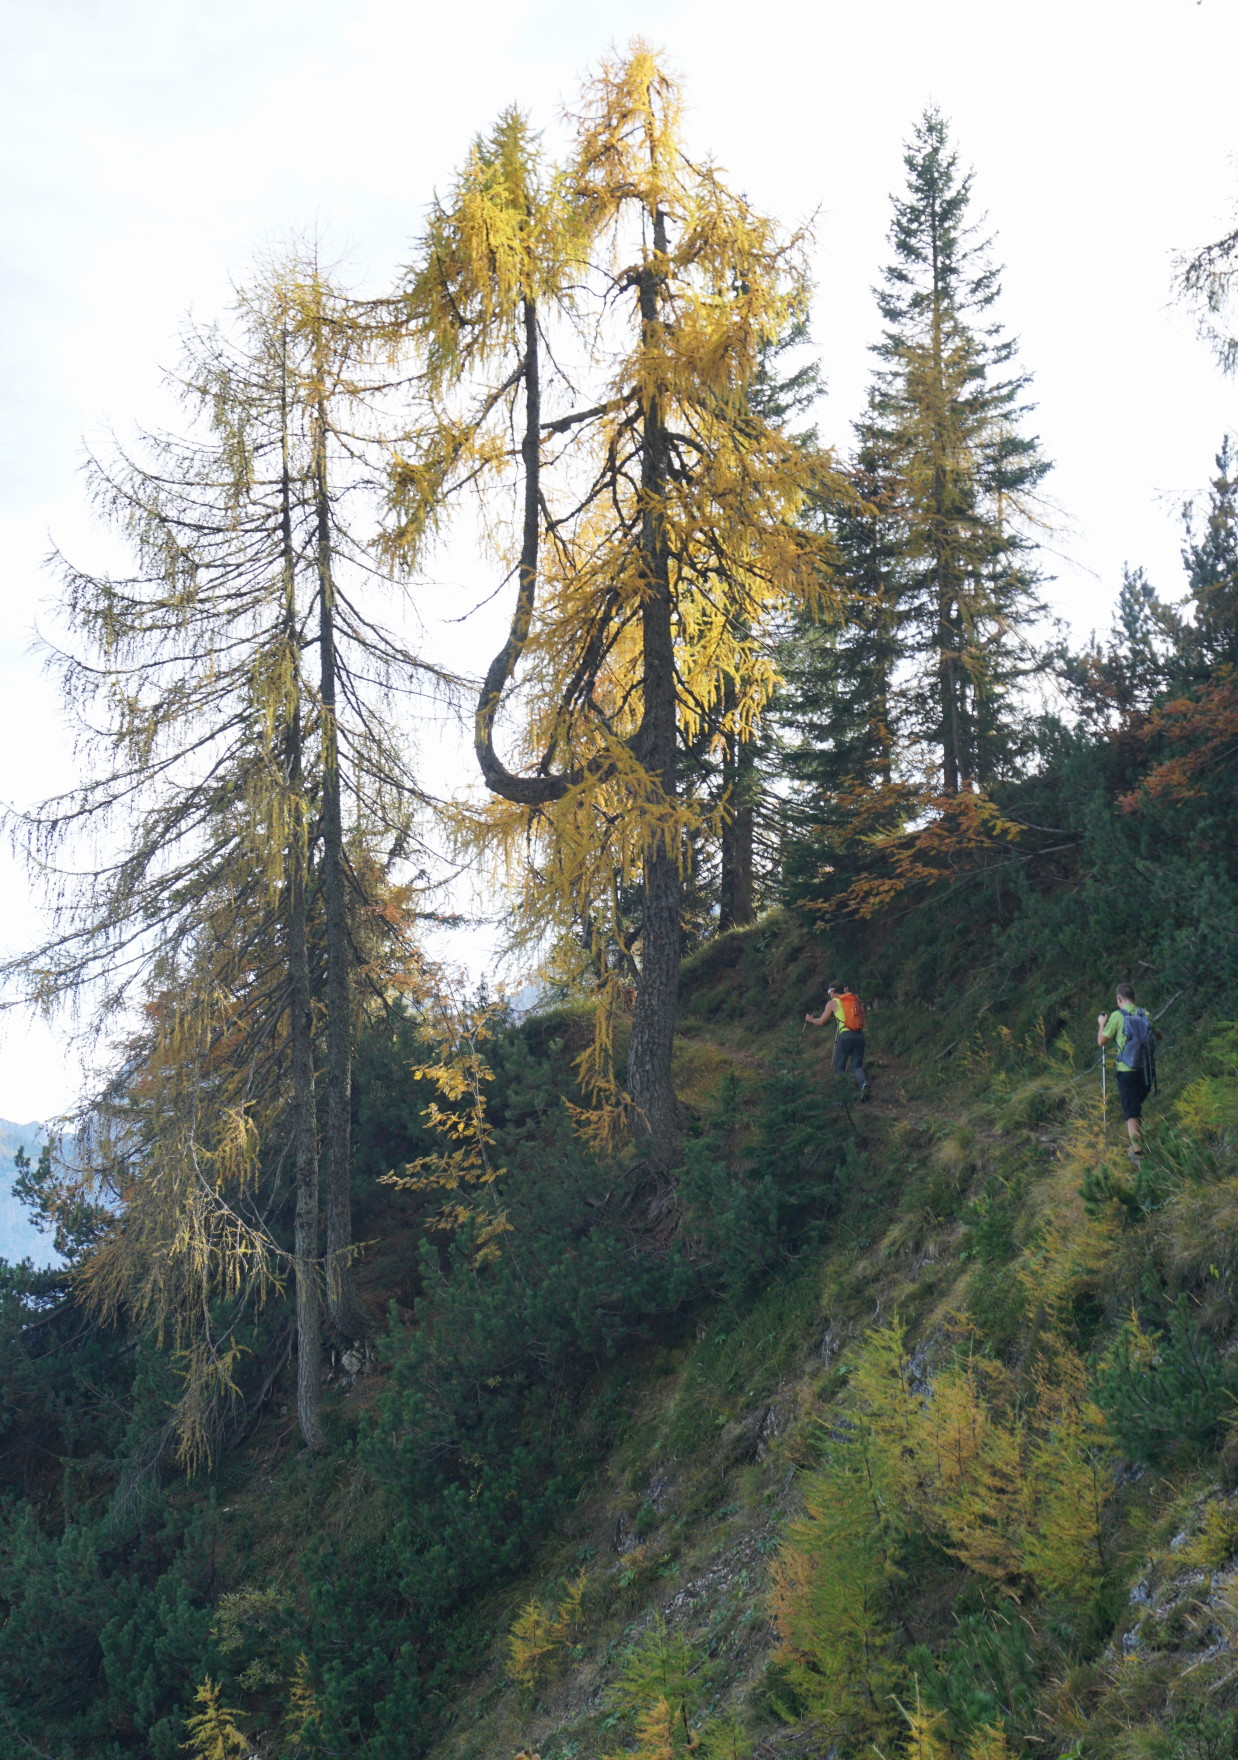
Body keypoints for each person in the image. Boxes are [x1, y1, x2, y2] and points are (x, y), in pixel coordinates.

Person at [1097, 981, 1155, 1159]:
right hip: (1146, 1071)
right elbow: (1158, 1035)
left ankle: (1138, 1153)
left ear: (1119, 999)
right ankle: (1138, 1142)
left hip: (1126, 1070)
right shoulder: (1145, 1014)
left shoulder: (1117, 1016)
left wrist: (1101, 1024)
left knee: (1131, 1113)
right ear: (1135, 998)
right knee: (1136, 1108)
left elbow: (1101, 1041)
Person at [806, 982, 871, 1102]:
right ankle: (864, 1084)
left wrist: (810, 1019)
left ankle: (844, 1099)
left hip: (845, 1036)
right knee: (856, 1066)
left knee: (839, 1067)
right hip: (859, 1036)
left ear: (833, 991)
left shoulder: (833, 1003)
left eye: (829, 992)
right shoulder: (854, 1000)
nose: (829, 994)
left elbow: (821, 1022)